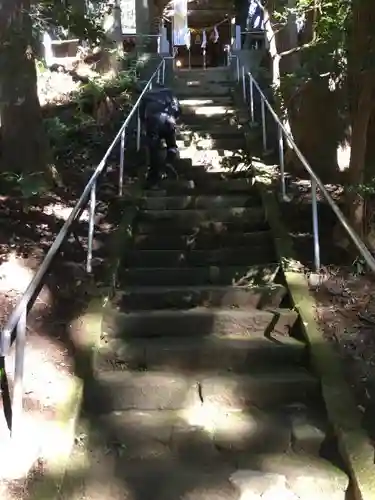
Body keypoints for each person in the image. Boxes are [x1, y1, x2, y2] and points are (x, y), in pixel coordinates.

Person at [139, 83, 182, 187]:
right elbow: (178, 110)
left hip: (153, 121)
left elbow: (141, 113)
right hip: (169, 120)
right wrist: (174, 119)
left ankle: (154, 176)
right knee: (171, 145)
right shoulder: (170, 93)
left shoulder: (147, 95)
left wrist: (145, 125)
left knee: (154, 148)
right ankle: (168, 162)